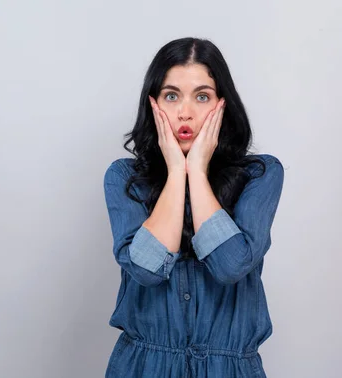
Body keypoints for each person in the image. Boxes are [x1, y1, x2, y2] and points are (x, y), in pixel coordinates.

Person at [102, 37, 285, 377]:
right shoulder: (123, 178)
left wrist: (197, 171)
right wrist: (176, 171)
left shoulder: (261, 174)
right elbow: (146, 270)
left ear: (222, 105)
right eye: (172, 96)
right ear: (153, 103)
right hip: (143, 367)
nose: (185, 112)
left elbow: (231, 265)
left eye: (202, 96)